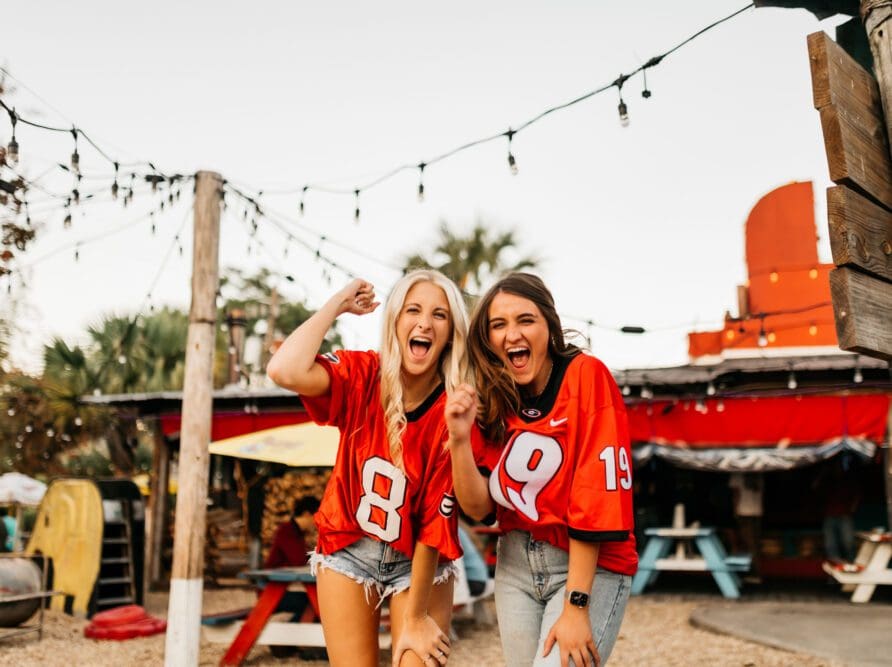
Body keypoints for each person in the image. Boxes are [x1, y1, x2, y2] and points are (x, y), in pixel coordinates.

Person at [267, 270, 470, 667]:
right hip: (348, 549)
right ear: (395, 322)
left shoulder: (455, 406)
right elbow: (283, 370)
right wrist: (338, 305)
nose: (424, 322)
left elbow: (434, 521)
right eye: (413, 310)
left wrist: (414, 618)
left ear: (450, 334)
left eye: (439, 315)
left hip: (419, 560)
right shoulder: (362, 374)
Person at [445, 272, 636, 667]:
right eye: (498, 325)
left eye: (525, 320)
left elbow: (594, 499)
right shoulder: (495, 395)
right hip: (515, 563)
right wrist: (460, 441)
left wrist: (577, 605)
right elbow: (479, 508)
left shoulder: (586, 376)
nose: (512, 334)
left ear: (549, 325)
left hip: (588, 567)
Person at [729, 472, 763, 582]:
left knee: (748, 544)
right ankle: (754, 572)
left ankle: (754, 573)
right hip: (757, 511)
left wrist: (735, 511)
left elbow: (736, 493)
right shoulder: (759, 473)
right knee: (755, 543)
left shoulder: (737, 474)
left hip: (744, 511)